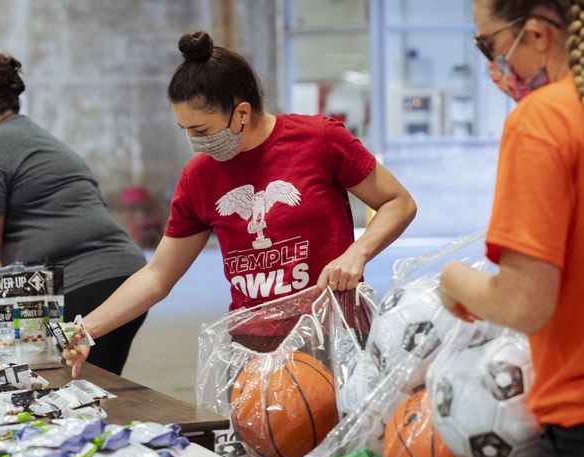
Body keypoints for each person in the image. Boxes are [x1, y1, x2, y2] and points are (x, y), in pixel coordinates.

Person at [64, 31, 417, 376]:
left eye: (201, 130)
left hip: (333, 336)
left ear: (242, 113)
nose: (193, 141)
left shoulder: (319, 140)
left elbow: (398, 202)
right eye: (184, 129)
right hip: (252, 348)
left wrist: (358, 252)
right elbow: (157, 276)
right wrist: (86, 330)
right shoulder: (199, 177)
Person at [0, 53, 148, 376]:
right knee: (91, 385)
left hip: (81, 286)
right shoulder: (34, 137)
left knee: (66, 390)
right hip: (124, 278)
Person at [439, 1, 584, 457]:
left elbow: (525, 303)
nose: (491, 66)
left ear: (539, 36)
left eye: (488, 45)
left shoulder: (546, 118)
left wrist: (454, 280)